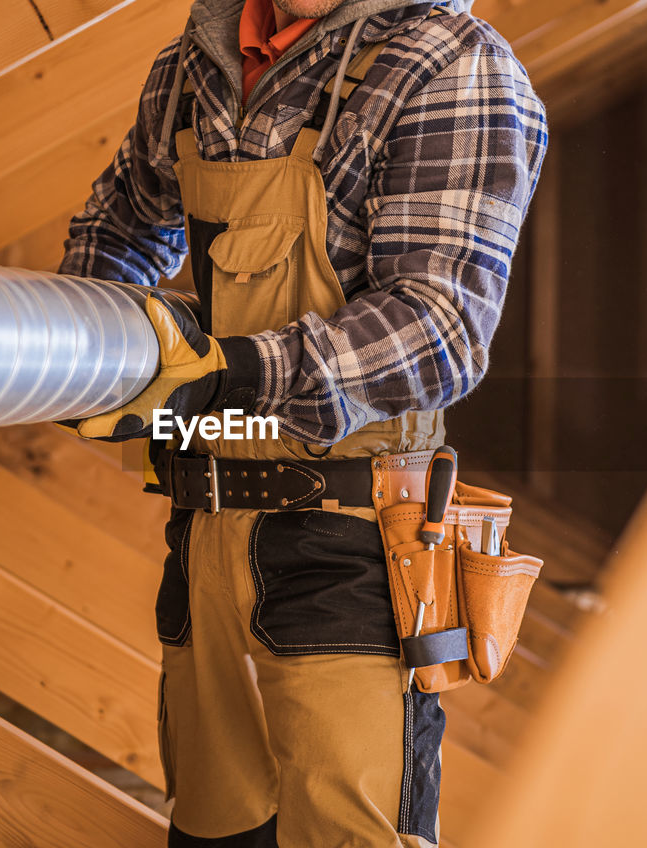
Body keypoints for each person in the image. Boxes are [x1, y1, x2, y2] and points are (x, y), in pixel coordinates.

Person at [56, 0, 547, 844]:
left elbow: (441, 329)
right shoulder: (196, 62)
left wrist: (230, 372)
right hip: (206, 528)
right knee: (214, 830)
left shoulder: (449, 61)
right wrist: (88, 350)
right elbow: (120, 224)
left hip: (353, 541)